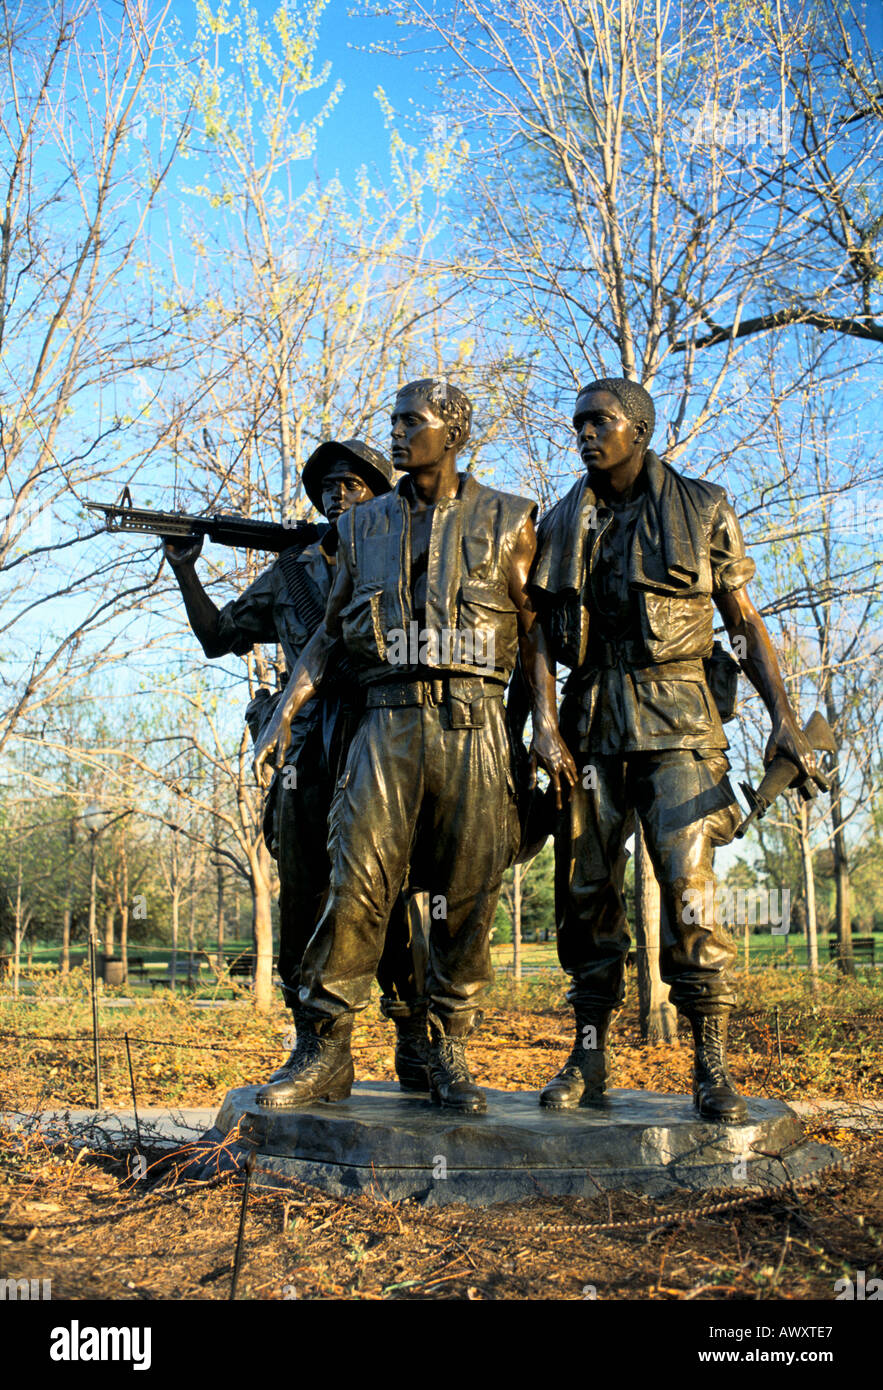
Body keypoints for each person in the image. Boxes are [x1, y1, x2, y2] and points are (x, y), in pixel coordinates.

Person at [253, 378, 575, 1113]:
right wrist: (283, 715)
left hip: (473, 722)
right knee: (357, 882)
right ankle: (325, 1049)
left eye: (410, 422)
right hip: (385, 721)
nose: (395, 435)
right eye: (394, 422)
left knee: (467, 893)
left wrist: (545, 729)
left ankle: (447, 1048)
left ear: (452, 431)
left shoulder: (510, 518)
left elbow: (533, 637)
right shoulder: (362, 528)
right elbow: (330, 634)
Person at [529, 377, 822, 1122]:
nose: (584, 435)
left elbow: (744, 622)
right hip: (591, 722)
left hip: (680, 720)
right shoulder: (560, 520)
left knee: (691, 899)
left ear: (638, 429)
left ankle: (709, 1067)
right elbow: (535, 631)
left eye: (598, 422)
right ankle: (587, 1056)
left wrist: (782, 718)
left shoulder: (702, 506)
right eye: (577, 425)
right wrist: (543, 723)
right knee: (585, 897)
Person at [164, 440, 431, 1093]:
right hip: (306, 747)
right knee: (304, 896)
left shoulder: (402, 558)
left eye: (354, 484)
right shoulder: (289, 572)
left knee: (390, 893)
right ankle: (315, 1048)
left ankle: (416, 1038)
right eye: (327, 486)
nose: (337, 494)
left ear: (379, 493)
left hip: (379, 733)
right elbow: (217, 637)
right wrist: (185, 570)